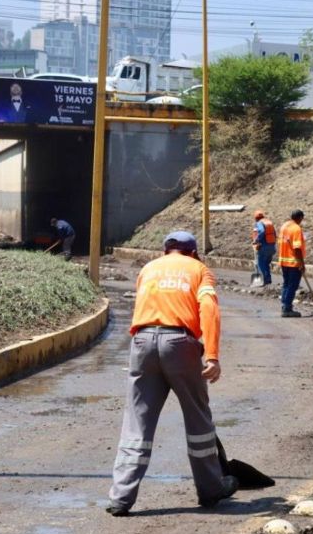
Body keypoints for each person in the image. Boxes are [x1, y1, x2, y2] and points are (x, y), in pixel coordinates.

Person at [106, 230, 238, 516]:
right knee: (198, 418)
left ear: (166, 251)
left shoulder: (148, 269)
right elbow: (209, 309)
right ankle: (211, 489)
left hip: (142, 342)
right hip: (180, 343)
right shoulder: (199, 270)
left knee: (137, 422)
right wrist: (212, 356)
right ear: (193, 253)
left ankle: (121, 497)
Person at [278, 209, 306, 317]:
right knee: (292, 286)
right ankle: (287, 308)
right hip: (293, 262)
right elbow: (297, 248)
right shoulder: (296, 229)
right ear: (300, 218)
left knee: (286, 284)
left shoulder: (284, 226)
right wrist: (301, 263)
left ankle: (284, 305)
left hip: (284, 261)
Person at [251, 210, 276, 286]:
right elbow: (274, 234)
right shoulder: (269, 223)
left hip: (264, 247)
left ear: (256, 218)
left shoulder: (259, 223)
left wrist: (256, 240)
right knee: (266, 264)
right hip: (272, 247)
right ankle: (268, 280)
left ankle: (262, 281)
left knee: (260, 264)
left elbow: (261, 231)